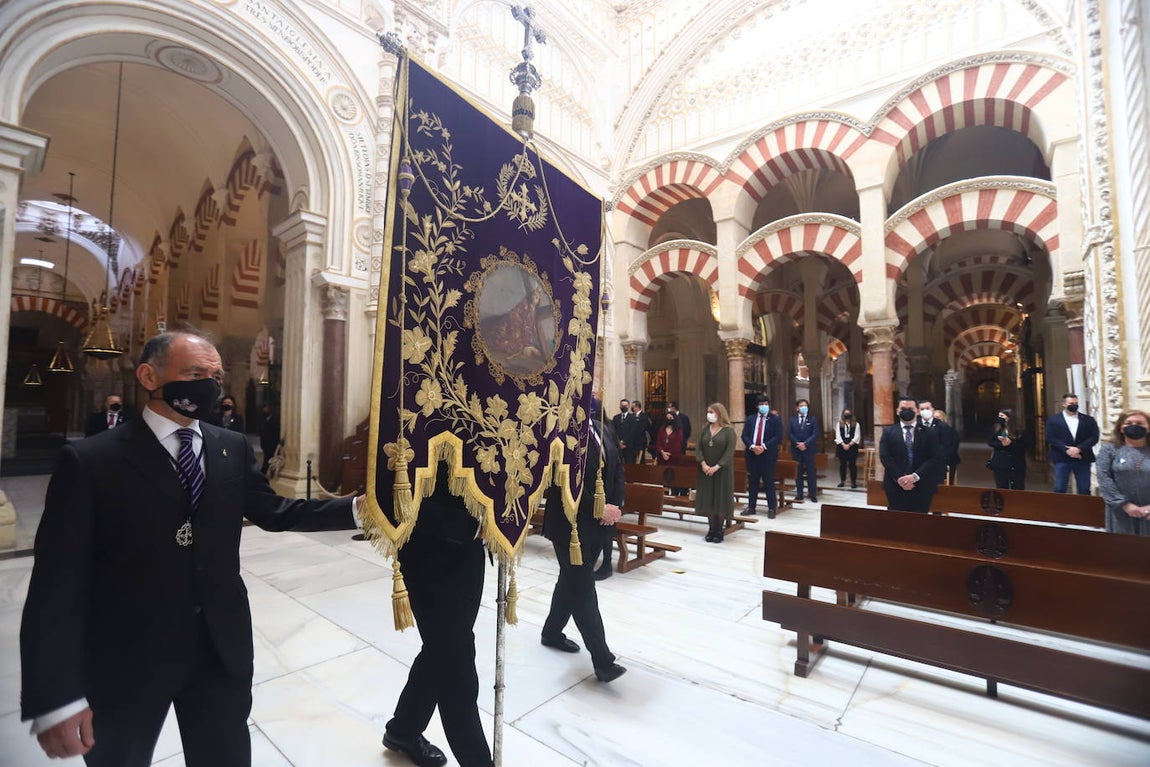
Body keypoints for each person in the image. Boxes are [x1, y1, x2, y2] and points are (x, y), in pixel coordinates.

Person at [20, 330, 361, 767]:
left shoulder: (229, 446)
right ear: (149, 377)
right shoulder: (91, 461)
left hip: (219, 646)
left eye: (215, 376)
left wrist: (358, 511)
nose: (210, 386)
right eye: (195, 374)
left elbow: (275, 511)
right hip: (128, 655)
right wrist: (56, 697)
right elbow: (56, 584)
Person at [383, 464, 494, 767]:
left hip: (470, 555)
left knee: (442, 651)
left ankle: (403, 729)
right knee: (457, 661)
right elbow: (392, 494)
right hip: (428, 556)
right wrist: (472, 527)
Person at [539, 401, 627, 684]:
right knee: (583, 589)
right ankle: (603, 661)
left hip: (598, 525)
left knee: (570, 582)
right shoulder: (560, 433)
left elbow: (618, 468)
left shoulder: (602, 428)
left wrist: (615, 505)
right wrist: (599, 508)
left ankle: (551, 633)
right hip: (570, 526)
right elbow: (562, 484)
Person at [878, 396, 943, 512]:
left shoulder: (929, 432)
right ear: (897, 411)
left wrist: (915, 476)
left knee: (920, 521)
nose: (906, 411)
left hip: (922, 485)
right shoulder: (888, 432)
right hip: (895, 485)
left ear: (917, 411)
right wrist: (900, 478)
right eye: (903, 409)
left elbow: (934, 458)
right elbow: (885, 457)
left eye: (910, 409)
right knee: (896, 520)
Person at [1096, 409, 1150, 536]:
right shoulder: (1109, 450)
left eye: (1140, 423)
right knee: (1124, 546)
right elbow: (1104, 478)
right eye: (1128, 423)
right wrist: (1124, 504)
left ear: (1148, 428)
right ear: (1120, 428)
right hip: (1120, 512)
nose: (1134, 426)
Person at [696, 403, 737, 542]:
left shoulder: (729, 431)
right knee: (709, 498)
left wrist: (717, 466)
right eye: (708, 412)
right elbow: (699, 448)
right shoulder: (705, 429)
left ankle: (719, 530)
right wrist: (703, 464)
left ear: (719, 414)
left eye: (712, 412)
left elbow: (729, 452)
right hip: (705, 470)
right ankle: (711, 528)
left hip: (722, 471)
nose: (709, 414)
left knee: (720, 498)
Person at [1046, 393, 1100, 494]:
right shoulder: (1053, 420)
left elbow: (1094, 437)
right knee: (1060, 488)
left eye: (1076, 403)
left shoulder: (1088, 420)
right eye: (1071, 403)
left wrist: (1079, 449)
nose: (1074, 405)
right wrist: (1066, 449)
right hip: (1062, 457)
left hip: (1082, 457)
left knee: (1084, 488)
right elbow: (1051, 437)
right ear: (1064, 404)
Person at [741, 395, 782, 517]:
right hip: (752, 454)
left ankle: (771, 508)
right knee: (753, 482)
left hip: (768, 455)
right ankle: (751, 507)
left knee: (768, 482)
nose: (763, 406)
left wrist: (763, 446)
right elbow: (744, 435)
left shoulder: (774, 419)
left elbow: (778, 437)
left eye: (766, 404)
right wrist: (752, 446)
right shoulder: (751, 419)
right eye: (761, 404)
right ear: (757, 406)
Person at [986, 408, 1031, 490]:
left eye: (1002, 416)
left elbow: (1026, 445)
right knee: (1001, 487)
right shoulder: (996, 428)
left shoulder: (1020, 430)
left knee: (1018, 487)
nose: (1000, 418)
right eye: (999, 416)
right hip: (1000, 463)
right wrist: (1001, 444)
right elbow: (990, 441)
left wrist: (1011, 443)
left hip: (1016, 463)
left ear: (1009, 417)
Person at [918, 400, 958, 487]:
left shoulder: (943, 426)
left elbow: (946, 446)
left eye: (927, 408)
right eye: (922, 409)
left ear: (932, 409)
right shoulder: (915, 425)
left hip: (937, 466)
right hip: (918, 467)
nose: (925, 411)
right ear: (918, 411)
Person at [787, 399, 819, 503]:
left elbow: (815, 434)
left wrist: (805, 443)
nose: (804, 407)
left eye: (805, 406)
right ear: (797, 408)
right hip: (796, 449)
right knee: (798, 472)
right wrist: (798, 443)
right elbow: (790, 433)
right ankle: (799, 493)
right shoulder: (792, 420)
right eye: (801, 406)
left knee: (811, 472)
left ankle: (812, 494)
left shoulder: (812, 419)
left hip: (809, 449)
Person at [833, 408, 861, 489]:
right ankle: (842, 480)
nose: (847, 415)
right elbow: (838, 435)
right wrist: (843, 444)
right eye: (845, 413)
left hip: (852, 446)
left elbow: (857, 436)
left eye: (848, 413)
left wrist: (849, 444)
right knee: (842, 464)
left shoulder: (856, 424)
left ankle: (853, 482)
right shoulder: (839, 424)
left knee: (852, 465)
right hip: (842, 446)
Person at [934, 408, 961, 484]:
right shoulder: (929, 430)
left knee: (948, 482)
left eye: (938, 417)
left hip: (949, 460)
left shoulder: (950, 430)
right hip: (934, 460)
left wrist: (942, 456)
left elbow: (953, 446)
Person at [619, 400, 650, 464]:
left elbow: (642, 428)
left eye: (633, 407)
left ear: (637, 407)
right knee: (632, 459)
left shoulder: (644, 416)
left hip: (640, 441)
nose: (632, 408)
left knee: (640, 460)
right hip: (632, 442)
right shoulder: (632, 415)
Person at [258, 401, 281, 474]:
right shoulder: (263, 420)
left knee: (270, 463)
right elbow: (262, 433)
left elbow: (276, 433)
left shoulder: (275, 420)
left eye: (266, 408)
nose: (264, 410)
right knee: (266, 462)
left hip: (273, 444)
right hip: (266, 445)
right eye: (264, 408)